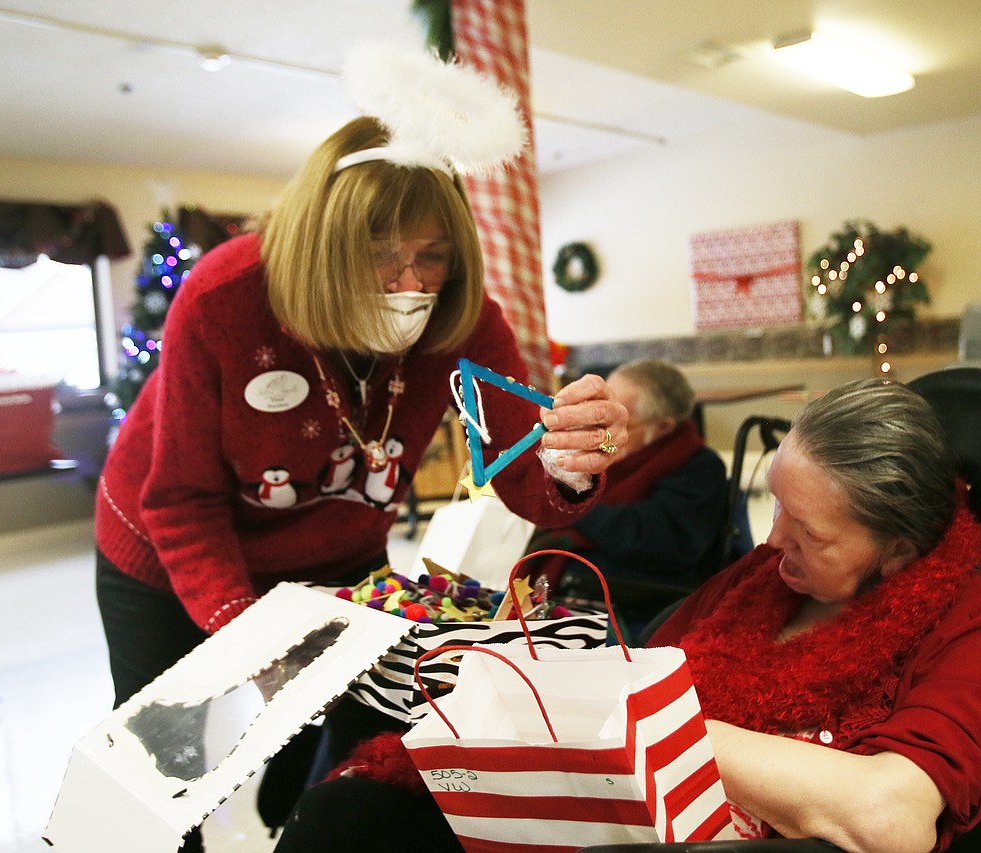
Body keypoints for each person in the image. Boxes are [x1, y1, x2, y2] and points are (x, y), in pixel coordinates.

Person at [91, 43, 627, 844]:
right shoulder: (225, 298)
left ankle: (291, 824)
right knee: (165, 768)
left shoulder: (465, 317)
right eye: (381, 254)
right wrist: (248, 631)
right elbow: (182, 499)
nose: (410, 282)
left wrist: (568, 463)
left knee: (325, 723)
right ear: (328, 244)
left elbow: (525, 474)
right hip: (165, 552)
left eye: (431, 255)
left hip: (334, 554)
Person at [274, 378, 981, 853]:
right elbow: (644, 667)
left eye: (811, 533)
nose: (771, 542)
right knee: (349, 814)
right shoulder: (758, 578)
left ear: (901, 549)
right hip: (626, 808)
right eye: (776, 508)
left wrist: (660, 729)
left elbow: (888, 816)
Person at [526, 359, 729, 630]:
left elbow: (651, 538)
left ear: (663, 427)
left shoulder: (699, 467)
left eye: (618, 422)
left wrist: (572, 503)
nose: (601, 432)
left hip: (641, 597)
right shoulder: (612, 454)